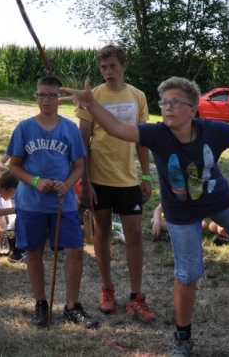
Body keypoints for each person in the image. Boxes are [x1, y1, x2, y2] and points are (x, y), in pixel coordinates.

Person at [62, 76, 229, 356]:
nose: (168, 107)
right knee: (187, 274)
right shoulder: (156, 134)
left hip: (219, 199)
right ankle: (183, 337)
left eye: (175, 102)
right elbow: (117, 128)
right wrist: (91, 104)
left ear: (193, 109)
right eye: (164, 102)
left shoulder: (212, 130)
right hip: (180, 212)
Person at [7, 76, 98, 329]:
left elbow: (79, 165)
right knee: (34, 251)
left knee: (75, 250)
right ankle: (40, 303)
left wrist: (67, 185)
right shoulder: (24, 128)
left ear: (60, 98)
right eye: (41, 95)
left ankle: (72, 306)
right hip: (31, 202)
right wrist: (35, 181)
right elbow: (14, 166)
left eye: (51, 95)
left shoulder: (69, 129)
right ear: (36, 97)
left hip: (63, 203)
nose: (45, 100)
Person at [74, 45, 156, 322]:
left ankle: (136, 297)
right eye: (103, 67)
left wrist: (146, 176)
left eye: (112, 66)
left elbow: (142, 139)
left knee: (134, 235)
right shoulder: (93, 96)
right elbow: (82, 142)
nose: (108, 72)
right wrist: (85, 182)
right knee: (102, 232)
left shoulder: (137, 96)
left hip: (128, 179)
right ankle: (106, 288)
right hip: (98, 179)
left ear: (124, 66)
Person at [0, 170, 21, 261]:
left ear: (10, 190)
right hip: (9, 231)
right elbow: (0, 219)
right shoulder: (3, 199)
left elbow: (23, 210)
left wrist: (5, 211)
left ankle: (20, 250)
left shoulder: (22, 197)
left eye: (1, 192)